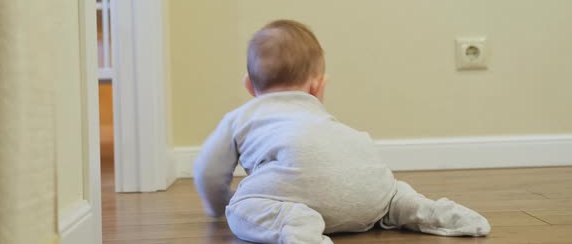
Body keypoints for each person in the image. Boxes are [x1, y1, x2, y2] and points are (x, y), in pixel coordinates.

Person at [194, 20, 490, 244]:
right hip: (369, 193)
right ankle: (421, 209)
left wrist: (219, 204)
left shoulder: (242, 116)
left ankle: (296, 225)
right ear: (317, 87)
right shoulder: (321, 116)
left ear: (249, 86)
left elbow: (208, 172)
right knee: (393, 194)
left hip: (302, 200)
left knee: (240, 208)